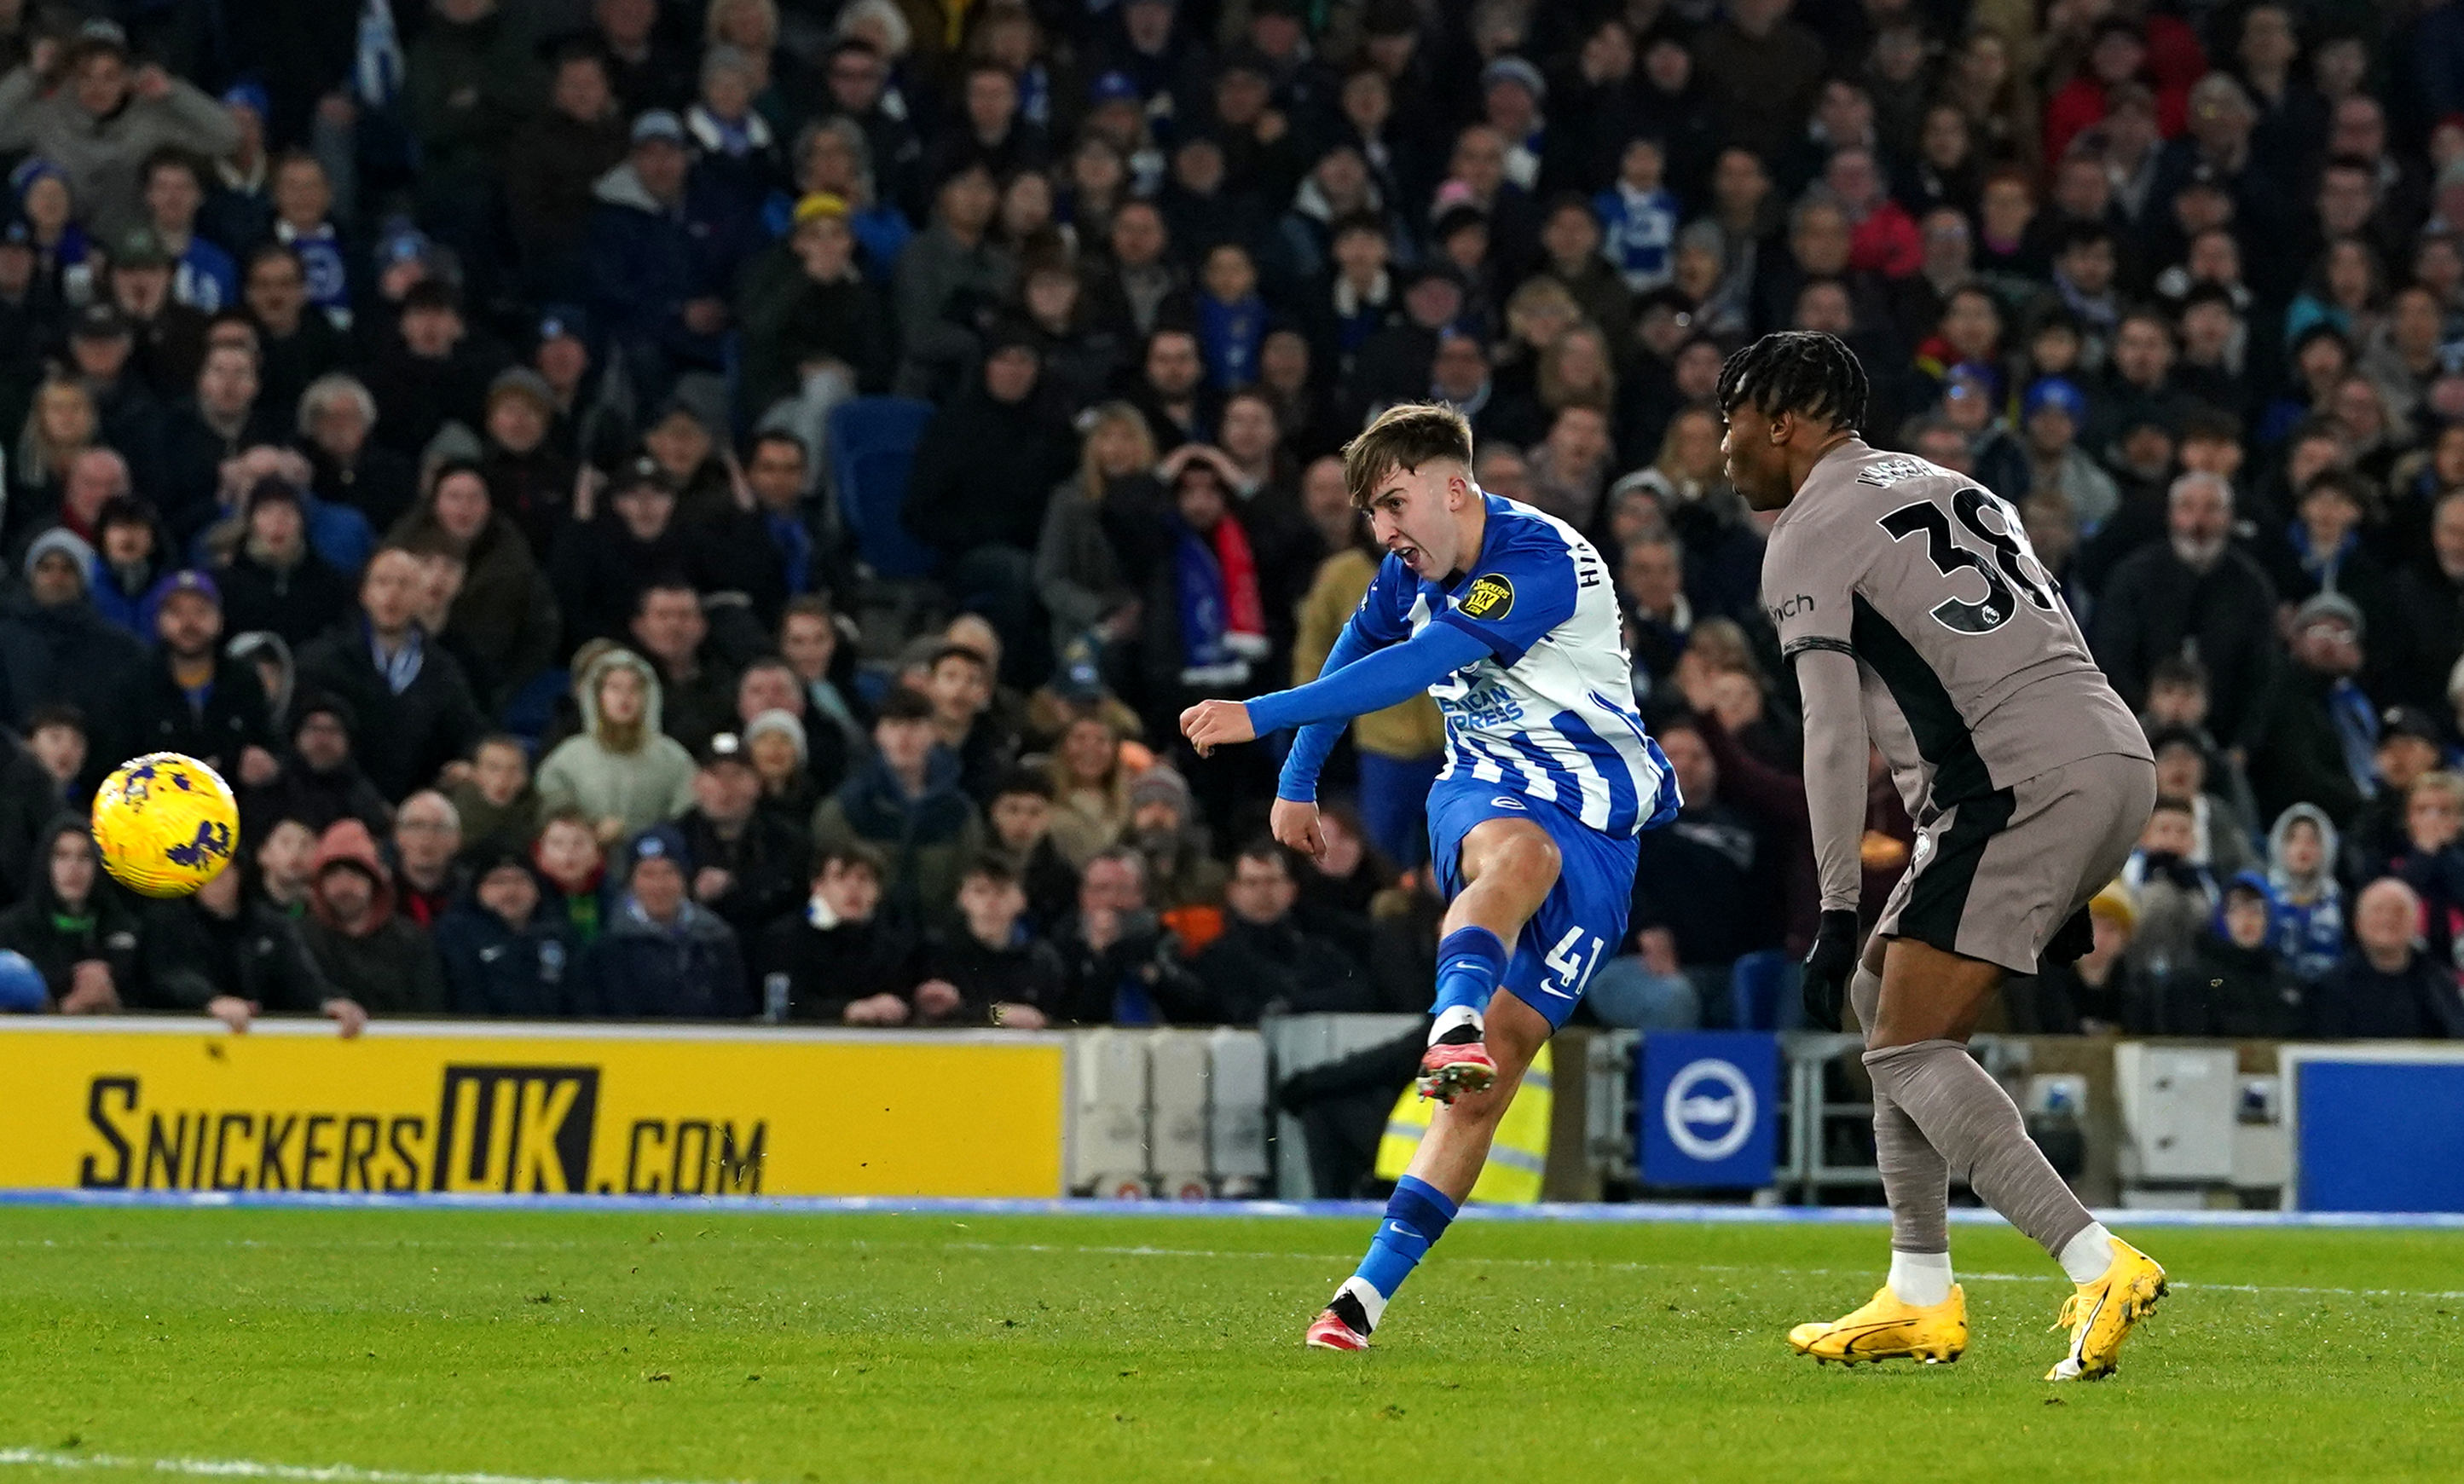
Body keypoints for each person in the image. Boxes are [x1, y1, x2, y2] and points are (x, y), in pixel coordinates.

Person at [1178, 401, 1676, 1350]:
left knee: (1498, 1075)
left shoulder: (1538, 562)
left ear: (1457, 488)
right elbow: (1356, 651)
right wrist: (1296, 775)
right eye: (1371, 514)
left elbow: (1422, 662)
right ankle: (1452, 1018)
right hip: (1483, 786)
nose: (1384, 531)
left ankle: (1361, 1297)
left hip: (1605, 823)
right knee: (1516, 856)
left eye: (1395, 504)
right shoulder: (1408, 568)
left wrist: (1261, 714)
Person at [1729, 330, 2163, 1381]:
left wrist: (1836, 906)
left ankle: (2094, 1259)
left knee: (1905, 1044)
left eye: (1731, 419)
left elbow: (1830, 732)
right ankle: (1918, 1290)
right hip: (2109, 755)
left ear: (1782, 420)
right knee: (1891, 1001)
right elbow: (2026, 642)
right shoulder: (1953, 483)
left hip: (2014, 783)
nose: (1725, 446)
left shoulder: (1805, 529)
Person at [294, 547, 484, 803]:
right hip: (333, 800)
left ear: (420, 597)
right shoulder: (322, 660)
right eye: (383, 582)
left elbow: (468, 732)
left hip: (415, 806)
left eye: (405, 585)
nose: (392, 594)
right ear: (365, 593)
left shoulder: (442, 669)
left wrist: (464, 764)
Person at [811, 686, 984, 923]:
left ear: (933, 732)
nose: (904, 737)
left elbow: (967, 884)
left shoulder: (959, 813)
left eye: (914, 726)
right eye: (893, 725)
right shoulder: (845, 808)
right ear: (878, 734)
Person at [136, 860, 348, 1035]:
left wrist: (326, 1002)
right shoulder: (168, 921)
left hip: (261, 1052)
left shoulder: (269, 926)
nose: (214, 880)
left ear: (238, 873)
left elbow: (299, 977)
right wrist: (209, 999)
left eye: (222, 871)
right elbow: (167, 973)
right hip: (181, 1045)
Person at [577, 824, 749, 1019]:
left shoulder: (716, 939)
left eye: (669, 873)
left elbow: (735, 1012)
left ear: (685, 878)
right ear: (631, 881)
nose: (659, 885)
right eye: (648, 874)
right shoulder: (607, 945)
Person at [536, 648, 699, 841]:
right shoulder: (569, 757)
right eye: (614, 688)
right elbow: (551, 809)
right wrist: (589, 829)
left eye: (634, 689)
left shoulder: (672, 757)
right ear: (597, 695)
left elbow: (687, 815)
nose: (624, 697)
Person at [298, 817, 446, 1015]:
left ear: (375, 884)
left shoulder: (411, 941)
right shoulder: (300, 940)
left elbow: (430, 1013)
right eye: (333, 876)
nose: (344, 887)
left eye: (355, 875)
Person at [757, 841, 917, 1024]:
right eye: (840, 877)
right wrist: (846, 1010)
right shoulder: (786, 937)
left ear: (879, 891)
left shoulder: (893, 942)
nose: (853, 888)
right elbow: (787, 1004)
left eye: (863, 879)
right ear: (818, 887)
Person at [0, 817, 140, 1012]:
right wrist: (64, 1010)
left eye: (85, 857)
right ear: (46, 864)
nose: (73, 868)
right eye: (62, 856)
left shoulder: (125, 928)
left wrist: (114, 1002)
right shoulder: (12, 930)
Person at [912, 856, 1066, 1027]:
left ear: (1021, 900)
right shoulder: (937, 954)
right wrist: (997, 1014)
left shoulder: (1043, 962)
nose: (991, 903)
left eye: (1001, 892)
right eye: (980, 891)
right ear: (963, 898)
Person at [435, 846, 580, 1019]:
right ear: (478, 889)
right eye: (498, 882)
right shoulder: (456, 934)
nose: (511, 891)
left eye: (520, 881)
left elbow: (580, 997)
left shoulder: (561, 932)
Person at [2312, 877, 2464, 1039]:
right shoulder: (2331, 988)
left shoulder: (2439, 982)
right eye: (2378, 910)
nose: (2388, 919)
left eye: (2399, 911)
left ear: (2416, 922)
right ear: (2357, 923)